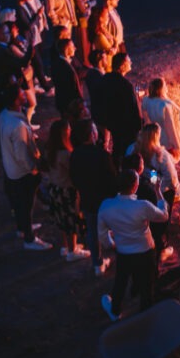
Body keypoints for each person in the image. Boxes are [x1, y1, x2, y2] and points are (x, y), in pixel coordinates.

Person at [98, 168, 169, 321]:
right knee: (147, 285)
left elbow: (102, 233)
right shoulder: (142, 206)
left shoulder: (106, 206)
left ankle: (115, 310)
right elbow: (164, 216)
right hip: (145, 250)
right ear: (135, 186)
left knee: (121, 281)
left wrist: (110, 244)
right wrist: (158, 192)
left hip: (124, 251)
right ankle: (146, 314)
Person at [0, 84, 51, 251]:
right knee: (26, 204)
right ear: (16, 99)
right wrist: (34, 169)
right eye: (21, 92)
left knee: (19, 204)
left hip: (10, 169)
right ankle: (29, 238)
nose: (24, 94)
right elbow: (22, 154)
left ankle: (23, 228)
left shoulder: (4, 115)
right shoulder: (17, 125)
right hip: (22, 173)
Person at [69, 118, 118, 275]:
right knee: (114, 225)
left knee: (92, 230)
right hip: (105, 200)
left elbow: (74, 177)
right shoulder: (102, 155)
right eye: (95, 129)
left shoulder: (75, 154)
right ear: (92, 135)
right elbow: (112, 178)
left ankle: (97, 263)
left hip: (88, 199)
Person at [40, 119, 89, 261]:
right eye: (68, 130)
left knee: (61, 220)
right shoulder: (65, 154)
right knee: (71, 220)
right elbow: (73, 171)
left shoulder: (49, 149)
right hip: (67, 190)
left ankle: (66, 246)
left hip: (54, 189)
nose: (70, 131)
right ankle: (73, 251)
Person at [134, 123, 180, 263]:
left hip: (139, 189)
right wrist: (175, 189)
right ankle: (160, 248)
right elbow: (171, 178)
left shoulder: (132, 149)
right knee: (160, 220)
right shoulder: (161, 155)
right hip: (158, 191)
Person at [99, 52, 142, 163]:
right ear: (122, 66)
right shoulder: (126, 85)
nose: (131, 62)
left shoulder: (106, 79)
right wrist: (139, 125)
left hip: (113, 124)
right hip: (127, 127)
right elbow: (134, 108)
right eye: (129, 61)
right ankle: (130, 174)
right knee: (129, 152)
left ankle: (116, 169)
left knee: (117, 147)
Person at [141, 78, 180, 161]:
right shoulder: (165, 105)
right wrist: (177, 146)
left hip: (154, 138)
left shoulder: (146, 100)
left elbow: (146, 121)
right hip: (167, 141)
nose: (166, 88)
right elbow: (170, 127)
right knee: (167, 162)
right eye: (164, 85)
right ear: (160, 89)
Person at [51, 37, 83, 117]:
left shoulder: (71, 61)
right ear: (66, 50)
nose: (75, 48)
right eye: (72, 47)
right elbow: (67, 87)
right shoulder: (61, 66)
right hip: (68, 103)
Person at [71, 0, 95, 67]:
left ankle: (89, 62)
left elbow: (94, 1)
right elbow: (82, 9)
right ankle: (85, 63)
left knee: (89, 42)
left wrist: (87, 4)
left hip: (88, 20)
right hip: (82, 21)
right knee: (83, 42)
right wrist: (88, 5)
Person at [91, 3, 118, 71]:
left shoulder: (104, 30)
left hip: (111, 63)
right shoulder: (100, 36)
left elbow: (116, 40)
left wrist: (115, 46)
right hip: (107, 66)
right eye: (107, 15)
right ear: (101, 18)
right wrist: (115, 46)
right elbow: (112, 51)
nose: (108, 17)